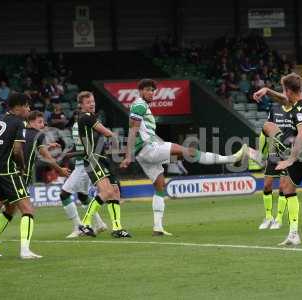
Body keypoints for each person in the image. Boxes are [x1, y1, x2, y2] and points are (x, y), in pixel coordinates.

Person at [120, 79, 249, 236]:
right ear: (140, 91)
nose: (151, 93)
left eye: (153, 90)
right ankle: (231, 159)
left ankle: (158, 227)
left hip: (143, 153)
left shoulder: (140, 105)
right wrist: (128, 156)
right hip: (148, 149)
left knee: (159, 186)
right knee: (189, 152)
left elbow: (138, 130)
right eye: (147, 90)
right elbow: (133, 130)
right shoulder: (139, 105)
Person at [254, 73, 302, 246]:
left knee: (268, 126)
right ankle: (293, 234)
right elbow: (285, 100)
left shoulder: (301, 109)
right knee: (286, 186)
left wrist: (291, 159)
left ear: (290, 91)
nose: (284, 94)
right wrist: (267, 91)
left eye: (285, 90)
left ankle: (259, 155)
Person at [0, 93, 42, 259]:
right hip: (8, 171)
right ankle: (25, 251)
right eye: (27, 106)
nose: (28, 109)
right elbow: (17, 150)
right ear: (19, 106)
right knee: (28, 209)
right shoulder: (18, 123)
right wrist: (21, 167)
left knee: (9, 208)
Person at [76, 91, 131, 238]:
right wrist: (115, 138)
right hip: (93, 159)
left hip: (101, 158)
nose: (92, 104)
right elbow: (107, 133)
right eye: (88, 102)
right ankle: (85, 224)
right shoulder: (86, 117)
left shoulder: (89, 118)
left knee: (115, 192)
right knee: (106, 192)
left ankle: (117, 228)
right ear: (81, 106)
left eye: (93, 101)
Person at [60, 111, 109, 239]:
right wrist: (67, 152)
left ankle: (78, 227)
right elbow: (81, 148)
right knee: (83, 196)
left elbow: (86, 151)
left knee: (64, 194)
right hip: (85, 165)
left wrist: (69, 155)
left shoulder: (81, 127)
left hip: (84, 165)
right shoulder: (83, 127)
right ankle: (99, 224)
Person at [257, 102, 296, 230]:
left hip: (288, 152)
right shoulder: (275, 109)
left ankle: (278, 219)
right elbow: (268, 128)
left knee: (282, 186)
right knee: (267, 184)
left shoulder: (297, 111)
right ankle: (268, 217)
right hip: (274, 151)